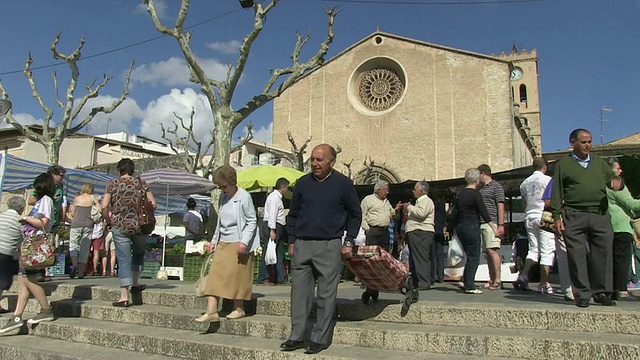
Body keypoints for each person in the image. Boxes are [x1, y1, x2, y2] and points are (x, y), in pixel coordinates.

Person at [280, 144, 361, 355]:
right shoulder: (303, 183)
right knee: (299, 294)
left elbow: (355, 214)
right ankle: (296, 336)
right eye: (313, 160)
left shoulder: (343, 184)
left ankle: (319, 338)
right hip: (303, 244)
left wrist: (349, 241)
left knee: (326, 294)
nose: (314, 164)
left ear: (331, 162)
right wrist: (291, 239)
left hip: (330, 244)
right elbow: (294, 214)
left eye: (319, 160)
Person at [550, 128, 623, 307]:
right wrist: (557, 216)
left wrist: (617, 183)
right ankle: (582, 293)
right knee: (576, 255)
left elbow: (614, 179)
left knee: (602, 254)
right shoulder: (563, 165)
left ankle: (601, 292)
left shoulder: (599, 163)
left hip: (599, 214)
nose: (588, 145)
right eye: (583, 142)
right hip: (574, 214)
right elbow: (557, 191)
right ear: (573, 144)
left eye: (589, 142)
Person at [196, 165, 259, 323]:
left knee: (236, 277)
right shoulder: (223, 198)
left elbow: (252, 221)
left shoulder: (244, 197)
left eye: (224, 186)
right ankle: (211, 311)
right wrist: (213, 242)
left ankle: (239, 308)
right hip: (224, 241)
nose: (223, 190)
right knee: (214, 275)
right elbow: (220, 223)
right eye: (220, 187)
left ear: (232, 182)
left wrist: (244, 242)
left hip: (238, 242)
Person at [0, 173, 56, 334]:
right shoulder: (42, 201)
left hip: (36, 248)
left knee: (28, 279)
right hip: (31, 248)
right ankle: (17, 316)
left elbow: (44, 223)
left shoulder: (46, 201)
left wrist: (25, 218)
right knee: (22, 280)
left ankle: (46, 310)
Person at [101, 158, 156, 307]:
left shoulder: (113, 184)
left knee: (123, 258)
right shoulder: (141, 183)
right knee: (138, 253)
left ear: (119, 169)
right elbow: (153, 203)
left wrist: (108, 220)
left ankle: (124, 297)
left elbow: (104, 206)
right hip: (139, 225)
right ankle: (136, 283)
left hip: (119, 225)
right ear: (132, 170)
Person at [455, 168, 497, 294]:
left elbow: (455, 212)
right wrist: (493, 226)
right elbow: (483, 212)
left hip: (460, 226)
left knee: (469, 255)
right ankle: (469, 286)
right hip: (472, 225)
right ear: (476, 180)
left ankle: (466, 281)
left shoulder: (460, 194)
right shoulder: (475, 194)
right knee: (474, 257)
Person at [517, 157, 556, 293]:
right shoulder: (548, 180)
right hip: (543, 216)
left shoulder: (524, 183)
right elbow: (551, 200)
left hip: (529, 215)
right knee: (547, 250)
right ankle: (543, 282)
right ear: (544, 167)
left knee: (533, 249)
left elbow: (523, 204)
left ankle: (523, 275)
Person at [605, 158, 640, 300]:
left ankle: (612, 289)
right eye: (618, 168)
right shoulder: (617, 183)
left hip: (609, 224)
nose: (620, 171)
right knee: (622, 259)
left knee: (612, 259)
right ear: (611, 170)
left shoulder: (602, 183)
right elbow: (631, 204)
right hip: (621, 226)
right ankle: (621, 290)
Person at [399, 181, 435, 291]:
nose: (413, 191)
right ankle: (415, 281)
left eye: (415, 189)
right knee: (414, 257)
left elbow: (421, 213)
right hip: (415, 231)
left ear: (421, 190)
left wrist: (409, 207)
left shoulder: (426, 200)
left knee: (421, 256)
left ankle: (424, 281)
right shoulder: (419, 201)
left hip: (421, 232)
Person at [541, 179, 574, 301]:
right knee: (564, 254)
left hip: (581, 221)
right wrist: (564, 202)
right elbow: (547, 202)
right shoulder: (557, 179)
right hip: (563, 221)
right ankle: (568, 288)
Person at [477, 164, 506, 290]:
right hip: (482, 223)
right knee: (487, 252)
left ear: (483, 174)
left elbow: (500, 205)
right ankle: (491, 278)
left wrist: (500, 224)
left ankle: (498, 280)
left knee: (493, 250)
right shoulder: (481, 189)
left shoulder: (496, 186)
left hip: (492, 223)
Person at [257, 177, 289, 285]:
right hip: (273, 226)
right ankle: (263, 277)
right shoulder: (275, 198)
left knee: (279, 252)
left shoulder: (276, 198)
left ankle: (281, 277)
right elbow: (272, 215)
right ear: (283, 187)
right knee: (268, 251)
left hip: (277, 226)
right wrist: (272, 230)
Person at [0, 196, 27, 314]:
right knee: (4, 280)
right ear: (21, 209)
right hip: (5, 253)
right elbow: (22, 240)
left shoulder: (1, 216)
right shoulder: (19, 221)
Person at [67, 183, 100, 279]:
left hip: (76, 223)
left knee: (73, 244)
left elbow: (72, 213)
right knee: (84, 247)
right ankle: (81, 272)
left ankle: (74, 265)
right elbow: (100, 209)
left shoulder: (77, 198)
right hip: (88, 224)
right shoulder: (93, 198)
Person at [360, 180, 396, 250]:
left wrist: (396, 210)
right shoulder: (368, 200)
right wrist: (367, 229)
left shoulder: (386, 201)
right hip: (373, 231)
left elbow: (391, 214)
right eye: (385, 190)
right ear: (378, 190)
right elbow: (362, 215)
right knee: (372, 254)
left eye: (388, 190)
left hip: (385, 231)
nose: (387, 192)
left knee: (384, 255)